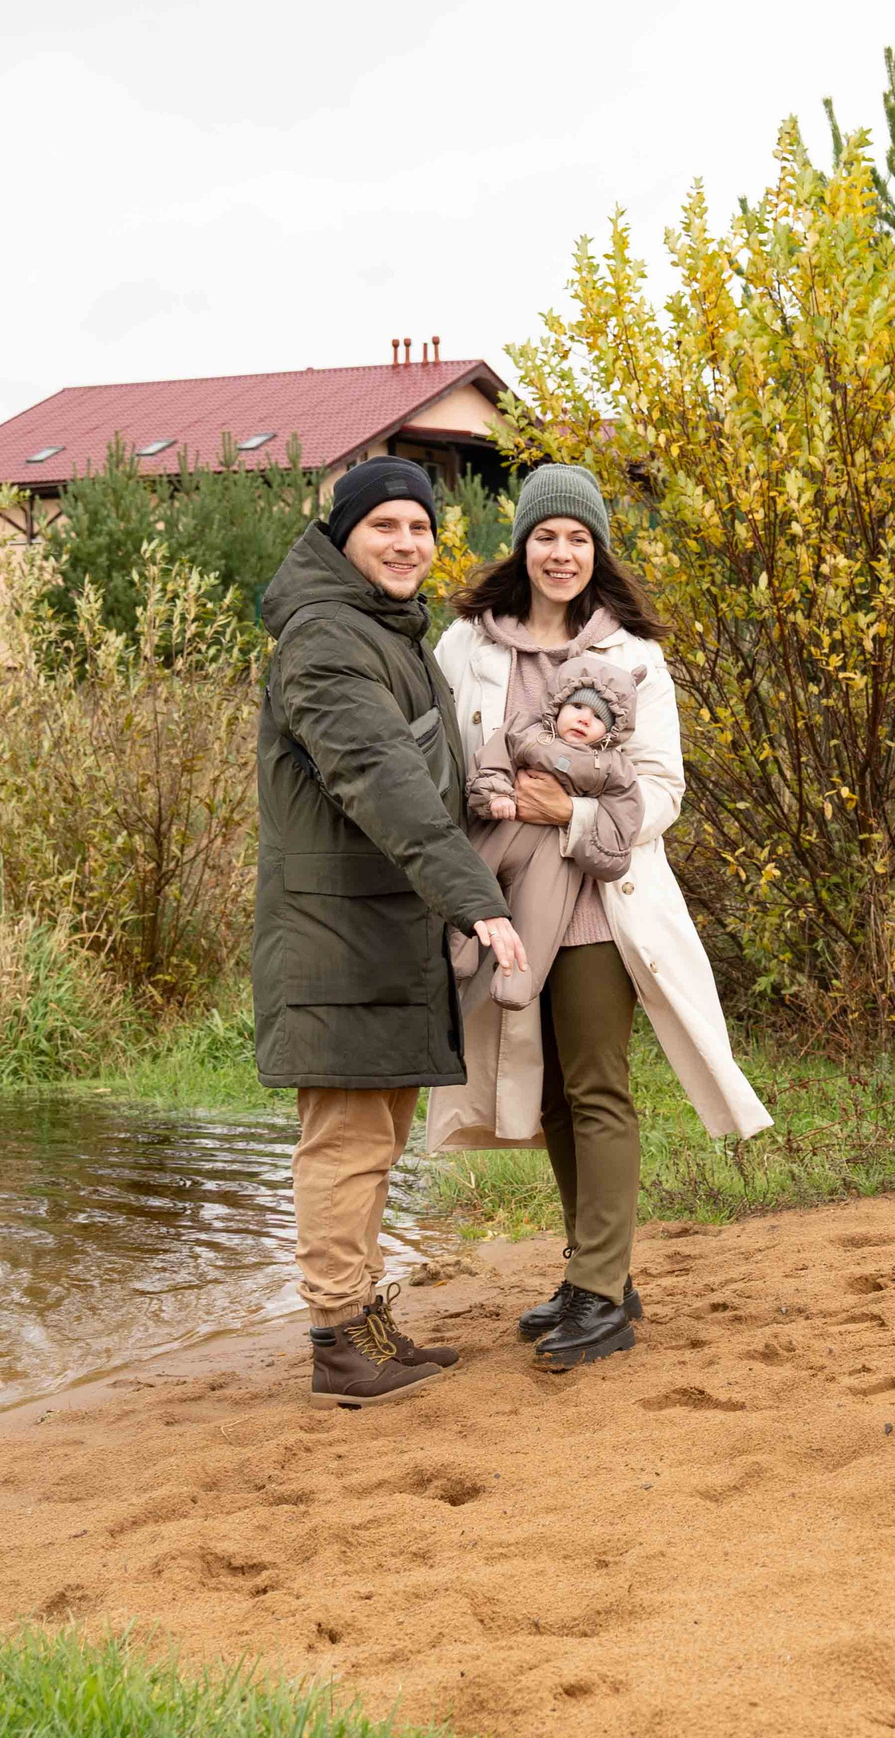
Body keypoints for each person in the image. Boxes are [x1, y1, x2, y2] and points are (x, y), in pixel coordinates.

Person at [428, 463, 771, 1370]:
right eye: (547, 535)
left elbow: (662, 790)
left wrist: (568, 816)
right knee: (542, 1093)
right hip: (502, 900)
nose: (562, 553)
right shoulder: (465, 646)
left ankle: (600, 1292)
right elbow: (441, 761)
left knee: (595, 1085)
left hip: (599, 903)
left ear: (598, 551)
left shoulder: (636, 659)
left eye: (579, 538)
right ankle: (597, 1272)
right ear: (522, 544)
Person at [254, 456, 528, 1407]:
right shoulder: (327, 641)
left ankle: (363, 1320)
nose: (407, 544)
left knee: (376, 1136)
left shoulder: (385, 630)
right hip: (339, 936)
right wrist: (478, 900)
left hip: (379, 931)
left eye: (421, 528)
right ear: (344, 537)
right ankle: (338, 1341)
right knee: (346, 1140)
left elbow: (428, 777)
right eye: (386, 528)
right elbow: (383, 779)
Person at [450, 651, 647, 1011]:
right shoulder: (525, 730)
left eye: (599, 717)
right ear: (558, 703)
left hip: (555, 855)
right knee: (472, 880)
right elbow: (492, 759)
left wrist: (582, 821)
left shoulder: (614, 770)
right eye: (577, 707)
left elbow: (622, 826)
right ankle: (455, 952)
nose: (584, 720)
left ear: (614, 728)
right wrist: (493, 792)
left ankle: (518, 978)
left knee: (540, 915)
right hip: (501, 829)